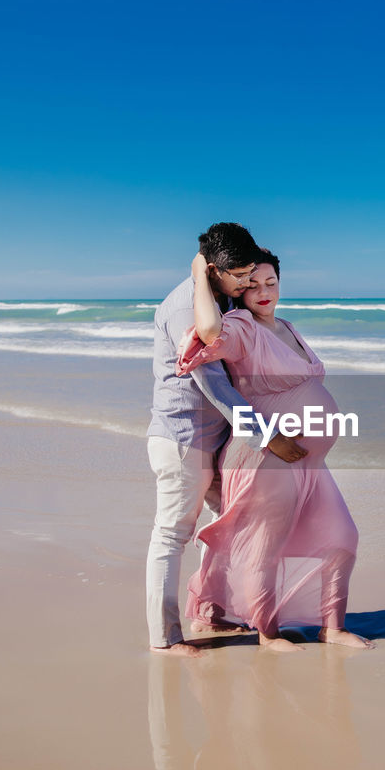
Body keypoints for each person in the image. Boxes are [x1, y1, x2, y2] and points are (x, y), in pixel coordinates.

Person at [178, 249, 372, 651]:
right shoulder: (242, 326)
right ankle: (267, 633)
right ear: (239, 291)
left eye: (271, 282)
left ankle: (331, 627)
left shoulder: (286, 325)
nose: (263, 292)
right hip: (267, 456)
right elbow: (209, 334)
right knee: (264, 545)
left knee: (341, 536)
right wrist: (200, 272)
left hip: (309, 461)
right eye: (252, 285)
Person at [146, 223, 308, 656]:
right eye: (239, 276)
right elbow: (214, 384)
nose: (245, 285)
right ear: (215, 270)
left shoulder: (218, 296)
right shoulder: (189, 309)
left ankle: (212, 611)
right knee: (172, 534)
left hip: (217, 439)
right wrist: (269, 437)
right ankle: (164, 638)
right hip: (184, 437)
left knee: (226, 526)